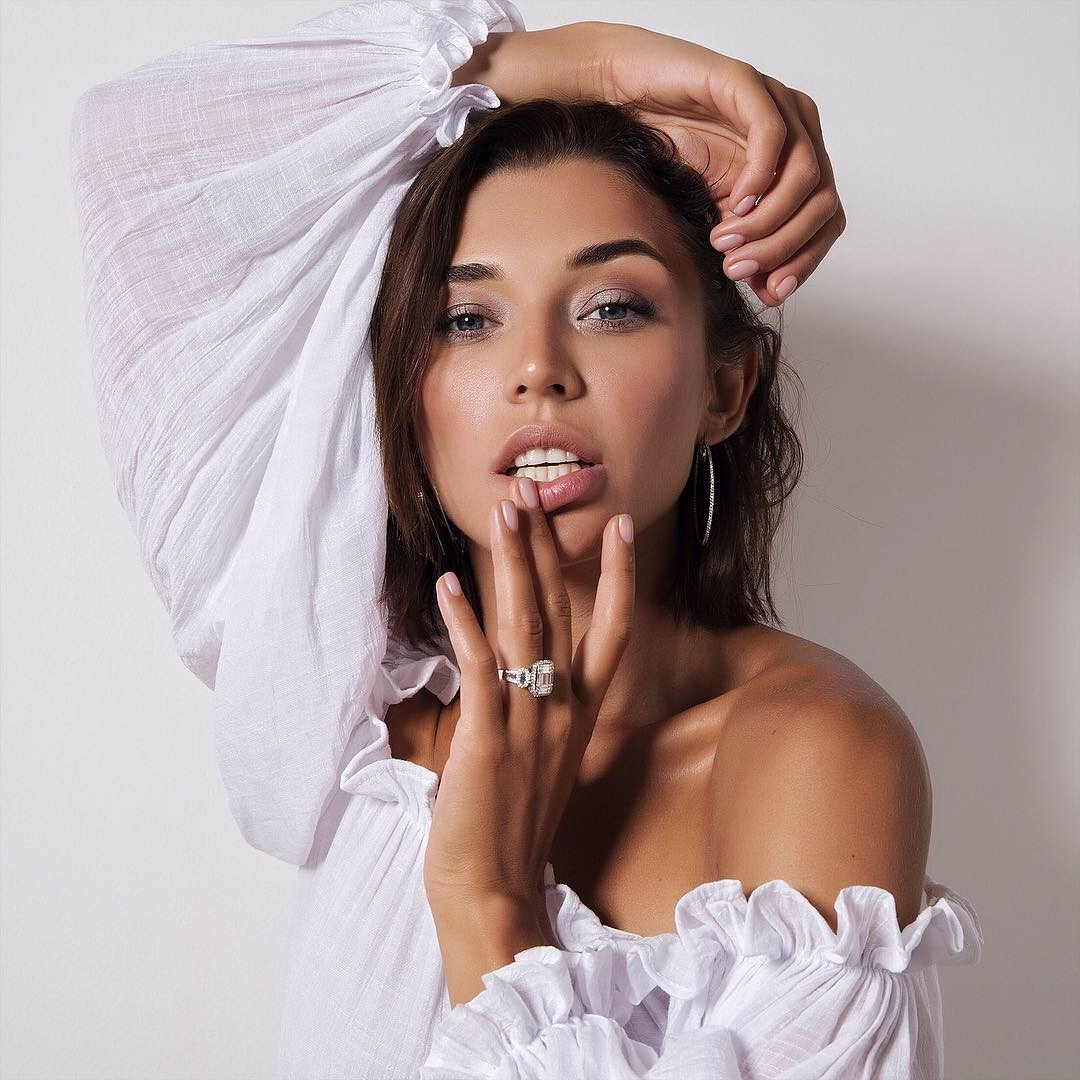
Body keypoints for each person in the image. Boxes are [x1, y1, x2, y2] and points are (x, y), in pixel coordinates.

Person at [69, 1, 982, 1076]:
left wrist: (487, 900)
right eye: (467, 319)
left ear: (725, 388)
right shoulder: (361, 708)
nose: (538, 368)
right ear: (401, 394)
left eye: (611, 307)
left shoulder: (812, 754)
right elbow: (139, 161)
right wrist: (583, 64)